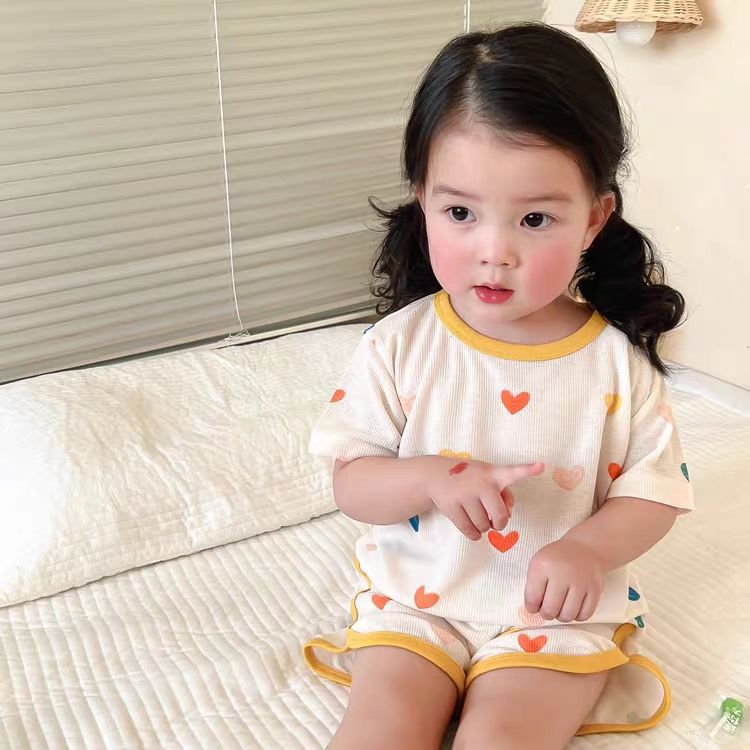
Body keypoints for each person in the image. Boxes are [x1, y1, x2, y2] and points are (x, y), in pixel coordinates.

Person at [302, 22, 694, 750]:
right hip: (417, 604)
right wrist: (429, 478)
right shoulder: (398, 346)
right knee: (379, 730)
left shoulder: (616, 363)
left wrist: (588, 551)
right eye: (460, 213)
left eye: (535, 218)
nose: (494, 252)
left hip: (554, 614)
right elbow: (353, 483)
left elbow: (655, 493)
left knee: (501, 737)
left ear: (594, 219)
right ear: (423, 201)